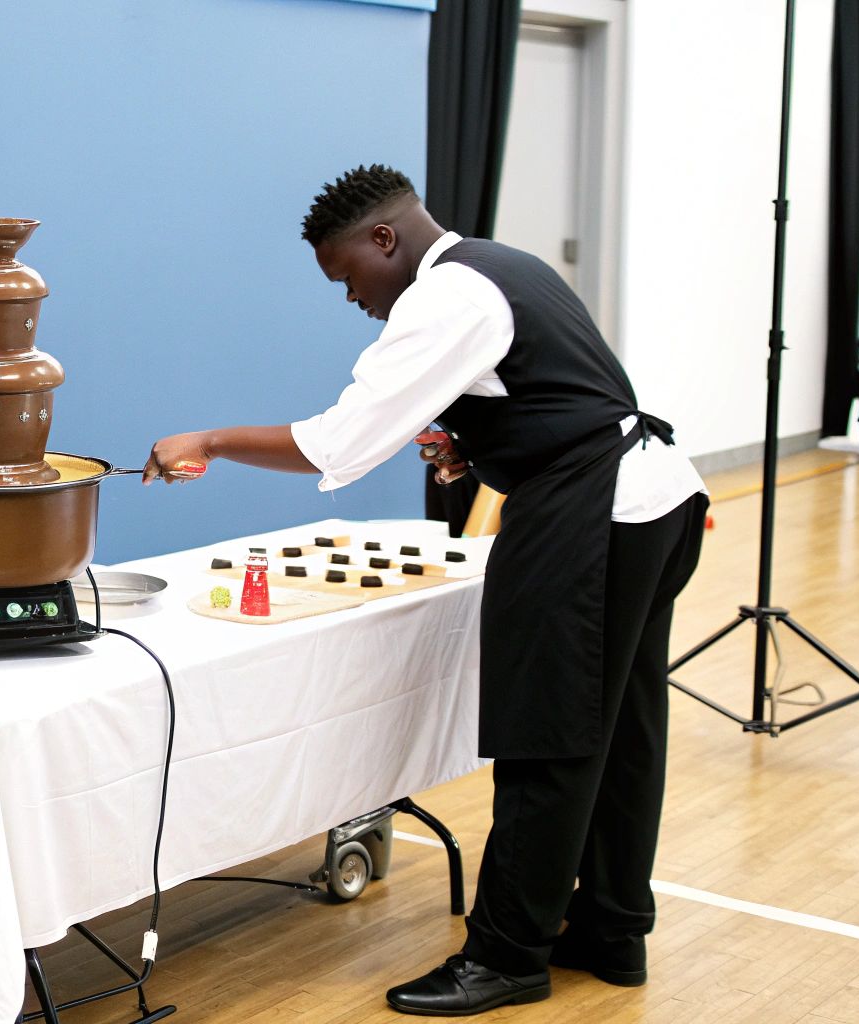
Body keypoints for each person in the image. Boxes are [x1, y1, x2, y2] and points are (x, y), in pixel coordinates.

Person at [143, 165, 709, 1016]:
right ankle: (611, 929)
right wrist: (476, 446)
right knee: (623, 727)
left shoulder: (445, 297)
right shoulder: (499, 264)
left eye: (348, 277)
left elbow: (341, 441)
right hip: (652, 501)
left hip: (594, 513)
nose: (354, 299)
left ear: (384, 239)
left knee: (548, 737)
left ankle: (507, 958)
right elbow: (558, 393)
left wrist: (212, 440)